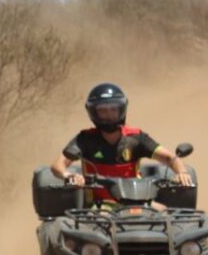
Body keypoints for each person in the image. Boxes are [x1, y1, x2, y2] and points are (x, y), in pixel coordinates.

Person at [50, 83, 193, 204]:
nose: (109, 115)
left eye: (113, 109)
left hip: (138, 203)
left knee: (164, 214)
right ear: (94, 112)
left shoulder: (136, 138)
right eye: (103, 111)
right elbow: (57, 165)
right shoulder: (85, 139)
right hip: (98, 210)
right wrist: (68, 176)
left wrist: (182, 173)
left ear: (122, 109)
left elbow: (169, 158)